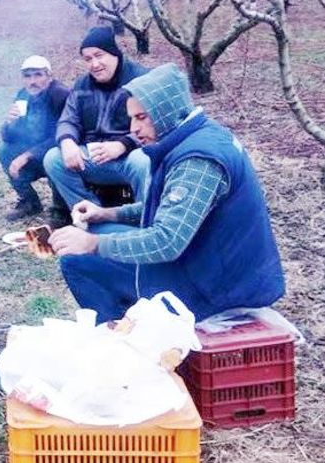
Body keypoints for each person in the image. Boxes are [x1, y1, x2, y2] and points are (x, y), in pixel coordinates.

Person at [49, 63, 285, 323]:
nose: (134, 130)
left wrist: (92, 245)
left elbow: (167, 241)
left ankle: (121, 338)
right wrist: (106, 214)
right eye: (132, 119)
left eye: (141, 117)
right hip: (208, 262)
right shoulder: (198, 135)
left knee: (78, 259)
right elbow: (166, 208)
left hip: (218, 288)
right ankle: (128, 323)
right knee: (98, 232)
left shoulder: (197, 160)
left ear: (164, 111)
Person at [43, 26, 150, 219]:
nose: (94, 64)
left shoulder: (142, 80)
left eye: (99, 55)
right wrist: (67, 141)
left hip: (130, 158)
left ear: (114, 53)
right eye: (88, 59)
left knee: (142, 161)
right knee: (53, 158)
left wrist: (123, 144)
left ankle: (145, 218)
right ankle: (90, 216)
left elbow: (157, 125)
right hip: (93, 158)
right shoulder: (82, 84)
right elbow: (69, 118)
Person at [0, 55, 70, 224]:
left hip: (59, 152)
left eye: (38, 75)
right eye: (27, 76)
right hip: (35, 153)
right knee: (4, 151)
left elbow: (63, 135)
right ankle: (29, 202)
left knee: (55, 155)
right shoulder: (23, 95)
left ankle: (62, 209)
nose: (32, 81)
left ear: (49, 76)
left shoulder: (60, 95)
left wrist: (26, 156)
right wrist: (9, 123)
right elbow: (9, 137)